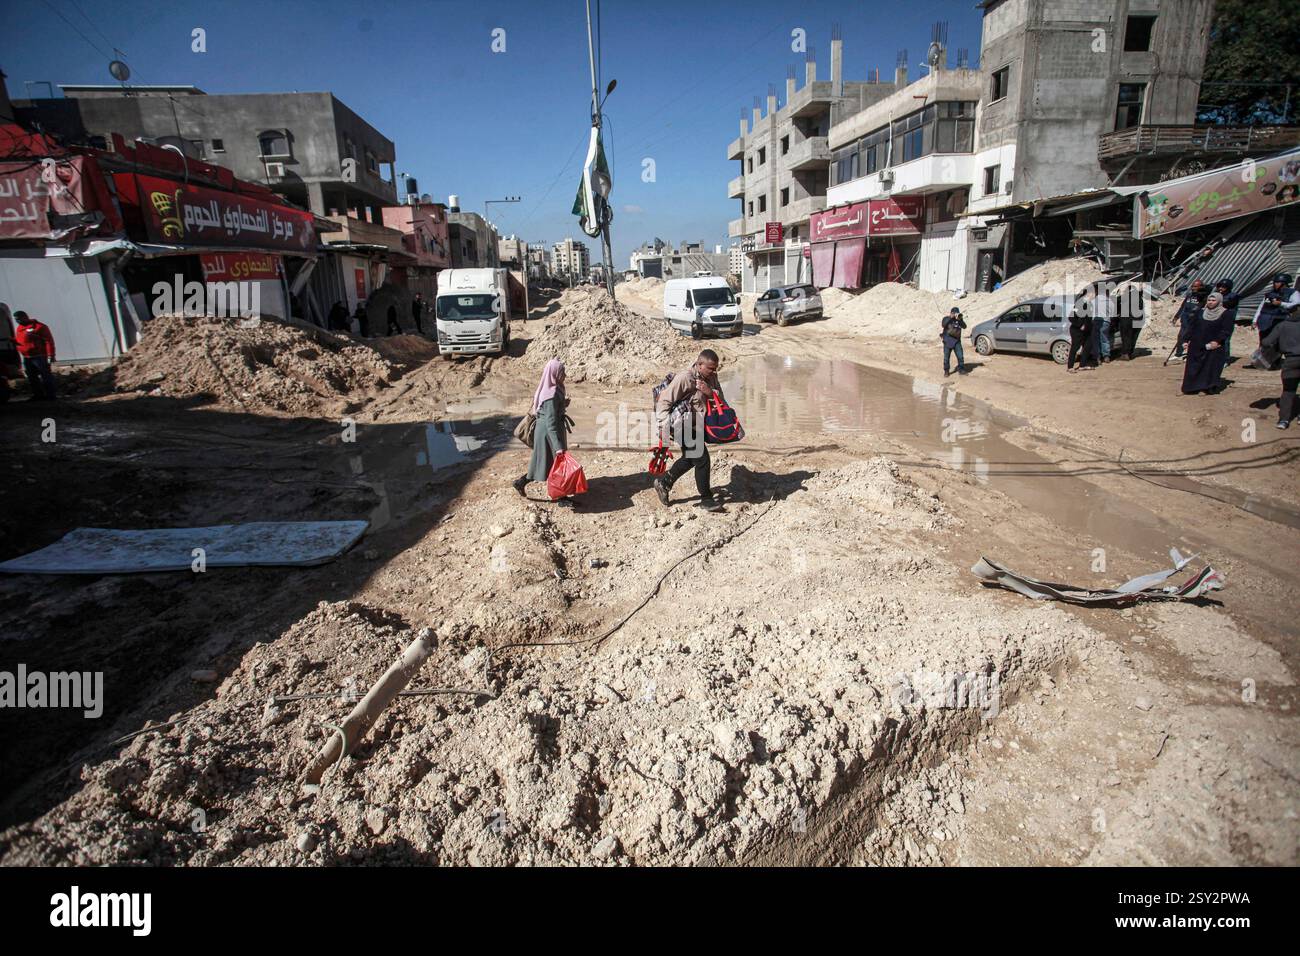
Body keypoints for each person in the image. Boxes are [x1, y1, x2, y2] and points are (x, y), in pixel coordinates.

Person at [653, 349, 726, 513]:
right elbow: (663, 403)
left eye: (715, 368)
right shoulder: (685, 378)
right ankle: (706, 499)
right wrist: (664, 434)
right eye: (710, 368)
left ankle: (664, 483)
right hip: (680, 424)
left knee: (691, 457)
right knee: (702, 459)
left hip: (697, 423)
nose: (714, 372)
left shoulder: (711, 377)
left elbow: (722, 399)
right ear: (699, 365)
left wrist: (709, 392)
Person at [513, 359, 576, 505]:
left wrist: (563, 404)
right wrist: (558, 446)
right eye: (562, 372)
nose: (564, 375)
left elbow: (549, 411)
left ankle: (521, 482)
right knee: (557, 463)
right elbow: (551, 421)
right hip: (549, 433)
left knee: (543, 463)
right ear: (554, 373)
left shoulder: (550, 388)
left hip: (545, 431)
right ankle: (561, 498)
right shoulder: (552, 393)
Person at [1180, 292, 1233, 395]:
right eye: (1209, 300)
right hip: (1197, 343)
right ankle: (1190, 388)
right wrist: (1186, 340)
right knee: (1193, 366)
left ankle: (1205, 388)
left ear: (1219, 301)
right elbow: (1192, 326)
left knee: (1209, 366)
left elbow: (1227, 330)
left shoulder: (1226, 313)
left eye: (1213, 301)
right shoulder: (1201, 312)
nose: (1211, 302)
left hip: (1213, 344)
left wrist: (1217, 341)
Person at [1261, 303, 1300, 428]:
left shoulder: (1282, 325)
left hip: (1290, 361)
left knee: (1288, 390)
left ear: (1289, 313)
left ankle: (1283, 420)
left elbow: (1266, 342)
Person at [13, 310, 57, 401]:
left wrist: (50, 355)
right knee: (32, 377)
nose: (18, 321)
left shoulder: (39, 327)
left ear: (25, 317)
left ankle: (51, 395)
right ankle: (38, 395)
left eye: (19, 319)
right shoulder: (19, 328)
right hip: (27, 357)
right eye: (16, 320)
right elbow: (21, 340)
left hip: (39, 356)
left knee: (45, 376)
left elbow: (48, 341)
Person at [1253, 273, 1298, 342]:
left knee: (1275, 343)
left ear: (1284, 283)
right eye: (1274, 282)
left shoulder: (1292, 293)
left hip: (1280, 322)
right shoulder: (1270, 293)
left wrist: (1281, 303)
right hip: (1265, 323)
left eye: (1277, 282)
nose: (1275, 284)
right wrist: (1255, 320)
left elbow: (1296, 303)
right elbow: (1261, 307)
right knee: (1264, 342)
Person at [1172, 279, 1208, 360]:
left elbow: (1201, 306)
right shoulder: (1189, 295)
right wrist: (1176, 316)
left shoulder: (1203, 296)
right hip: (1185, 318)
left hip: (1194, 319)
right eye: (1192, 286)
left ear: (1200, 287)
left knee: (1191, 337)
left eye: (1195, 286)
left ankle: (1192, 354)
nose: (1193, 288)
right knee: (1181, 336)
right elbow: (1183, 306)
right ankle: (1178, 353)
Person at [1067, 298, 1093, 373]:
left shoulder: (1090, 305)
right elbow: (1071, 317)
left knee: (1088, 346)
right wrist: (1080, 325)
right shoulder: (1078, 305)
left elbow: (1088, 318)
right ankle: (1070, 367)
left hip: (1087, 331)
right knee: (1075, 348)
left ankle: (1082, 365)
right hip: (1076, 331)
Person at [940, 307, 967, 376]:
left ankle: (961, 369)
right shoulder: (946, 318)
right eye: (954, 313)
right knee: (946, 358)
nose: (956, 315)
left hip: (957, 341)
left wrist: (960, 320)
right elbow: (943, 325)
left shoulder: (959, 319)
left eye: (957, 313)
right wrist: (951, 318)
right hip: (947, 341)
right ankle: (946, 371)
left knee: (960, 356)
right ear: (951, 313)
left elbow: (964, 326)